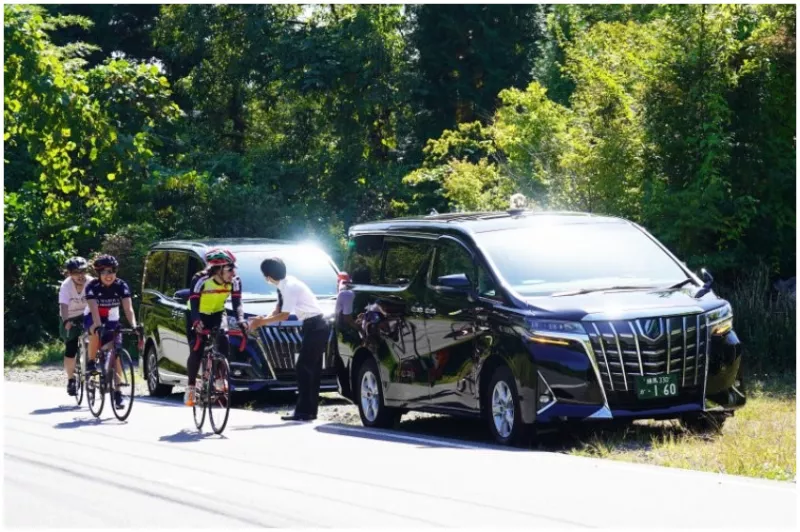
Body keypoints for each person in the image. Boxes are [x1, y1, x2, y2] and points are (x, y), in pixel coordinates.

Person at [250, 257, 329, 421]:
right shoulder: (284, 285)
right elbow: (278, 309)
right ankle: (308, 411)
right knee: (309, 369)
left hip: (317, 326)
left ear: (268, 276)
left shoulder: (289, 287)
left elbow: (284, 316)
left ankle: (304, 411)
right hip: (311, 326)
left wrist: (261, 323)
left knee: (304, 367)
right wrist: (263, 318)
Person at [184, 248, 247, 406]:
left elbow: (237, 303)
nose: (233, 273)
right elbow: (194, 302)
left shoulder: (235, 281)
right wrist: (197, 322)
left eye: (234, 268)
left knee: (224, 340)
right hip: (196, 313)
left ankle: (219, 377)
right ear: (218, 269)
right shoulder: (200, 279)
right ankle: (191, 386)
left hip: (218, 313)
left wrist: (241, 320)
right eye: (229, 269)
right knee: (197, 350)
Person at [84, 254, 141, 409]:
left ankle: (117, 393)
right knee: (95, 331)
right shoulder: (92, 287)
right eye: (104, 272)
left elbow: (128, 308)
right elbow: (94, 309)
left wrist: (134, 325)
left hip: (112, 315)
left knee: (115, 351)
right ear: (99, 274)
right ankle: (91, 362)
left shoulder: (121, 285)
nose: (108, 275)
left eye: (111, 271)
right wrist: (97, 325)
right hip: (94, 314)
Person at [59, 256, 93, 396]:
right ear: (69, 274)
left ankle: (92, 365)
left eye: (82, 271)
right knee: (71, 346)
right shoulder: (66, 286)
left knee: (95, 337)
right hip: (71, 315)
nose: (80, 275)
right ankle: (71, 379)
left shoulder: (91, 282)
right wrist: (66, 321)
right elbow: (63, 305)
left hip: (87, 313)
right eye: (75, 272)